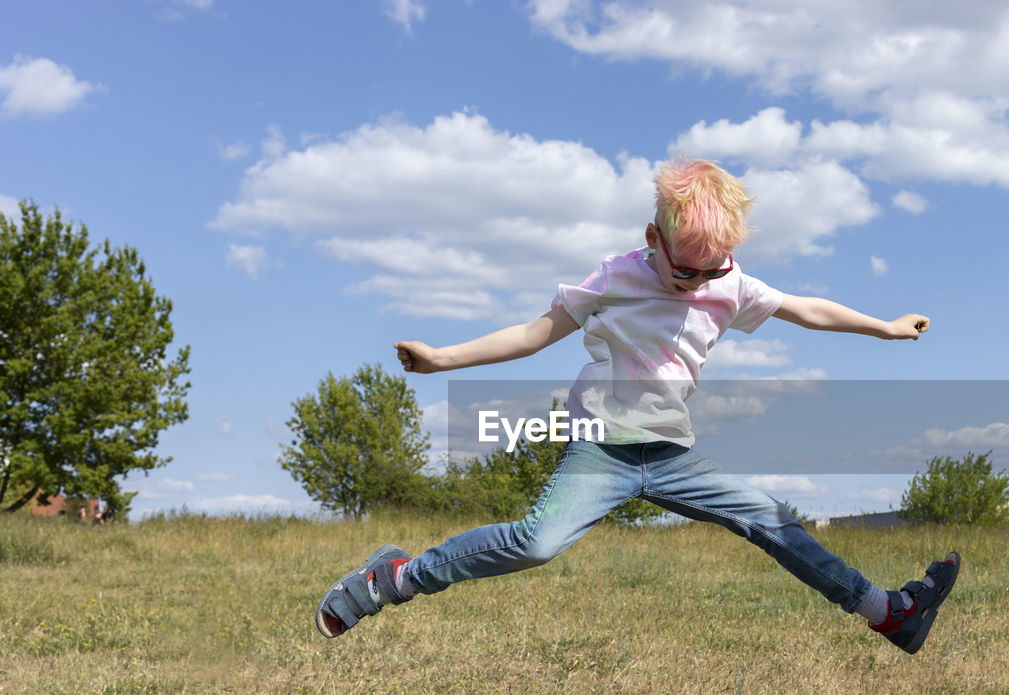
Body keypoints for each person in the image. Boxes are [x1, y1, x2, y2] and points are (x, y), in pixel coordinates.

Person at [314, 158, 959, 655]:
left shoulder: (727, 281)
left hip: (670, 453)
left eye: (715, 273)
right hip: (602, 447)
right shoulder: (615, 279)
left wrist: (885, 326)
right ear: (654, 237)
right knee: (537, 544)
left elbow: (807, 308)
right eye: (686, 273)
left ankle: (890, 612)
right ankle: (393, 577)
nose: (700, 286)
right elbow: (534, 334)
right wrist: (442, 359)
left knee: (774, 522)